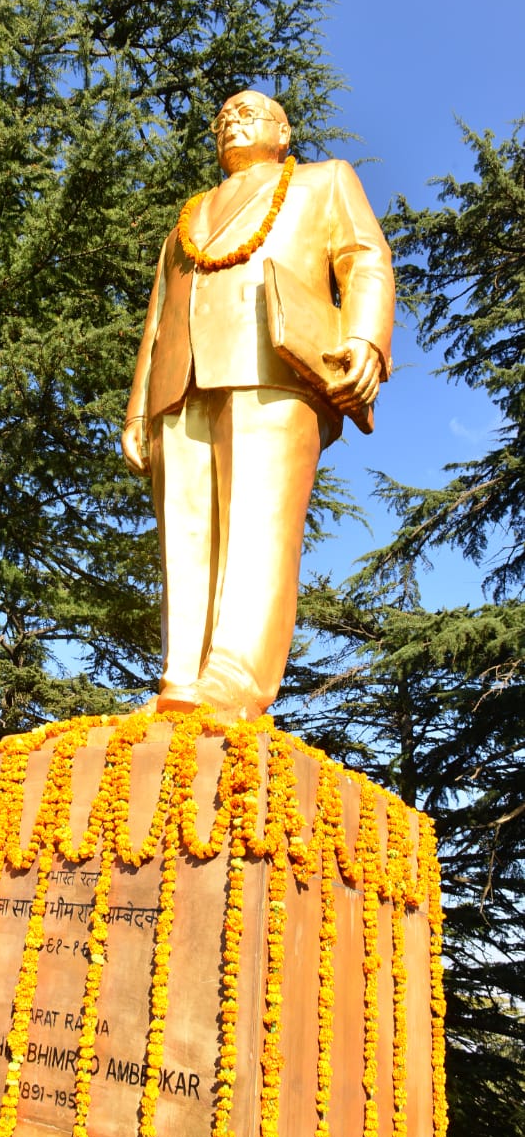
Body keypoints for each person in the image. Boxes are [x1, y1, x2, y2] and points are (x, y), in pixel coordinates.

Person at [123, 89, 395, 719]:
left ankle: (236, 679)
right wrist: (139, 408)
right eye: (222, 119)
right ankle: (181, 679)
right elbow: (157, 318)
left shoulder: (324, 182)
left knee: (257, 525)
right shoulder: (185, 223)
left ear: (284, 131)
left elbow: (366, 259)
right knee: (185, 539)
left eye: (247, 114)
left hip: (275, 370)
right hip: (181, 382)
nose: (230, 124)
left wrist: (364, 341)